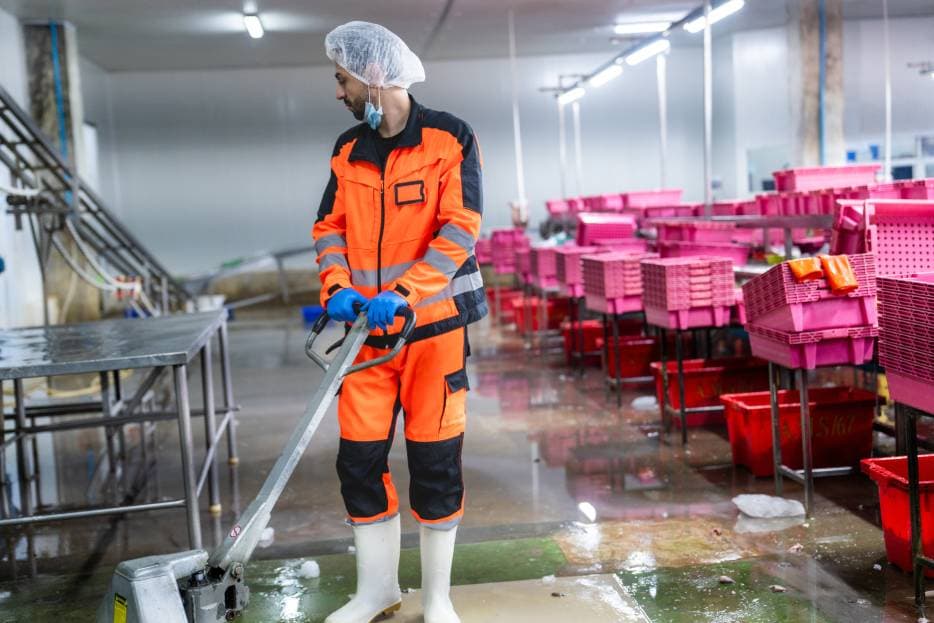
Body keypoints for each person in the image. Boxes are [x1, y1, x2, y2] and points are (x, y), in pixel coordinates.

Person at [313, 21, 487, 623]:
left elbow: (460, 229)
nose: (338, 91)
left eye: (343, 79)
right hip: (365, 337)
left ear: (374, 76)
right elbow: (329, 228)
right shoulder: (347, 150)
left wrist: (405, 293)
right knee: (357, 461)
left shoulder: (449, 137)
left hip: (432, 332)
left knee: (435, 463)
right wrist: (337, 287)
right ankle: (377, 591)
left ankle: (437, 599)